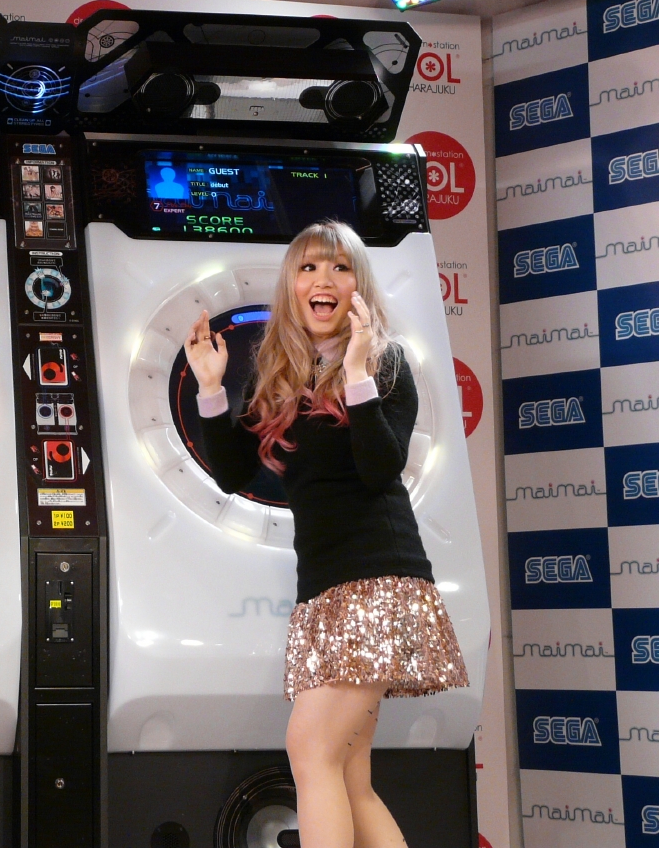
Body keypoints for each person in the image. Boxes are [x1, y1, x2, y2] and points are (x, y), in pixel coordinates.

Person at [183, 220, 466, 848]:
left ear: (358, 285)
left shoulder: (386, 364)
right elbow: (232, 472)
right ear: (292, 284)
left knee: (309, 753)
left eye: (339, 268)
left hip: (379, 583)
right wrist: (209, 387)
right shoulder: (282, 375)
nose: (324, 280)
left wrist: (357, 371)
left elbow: (380, 467)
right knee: (349, 777)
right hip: (323, 591)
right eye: (309, 268)